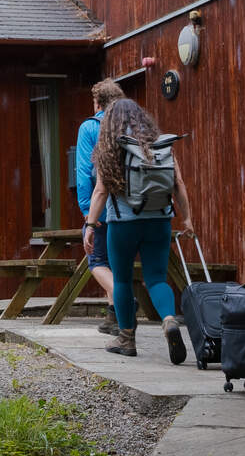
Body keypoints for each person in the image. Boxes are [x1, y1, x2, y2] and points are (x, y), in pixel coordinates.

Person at [82, 98, 195, 362]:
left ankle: (126, 338)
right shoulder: (158, 145)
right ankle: (168, 320)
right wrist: (187, 219)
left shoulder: (109, 148)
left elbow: (100, 191)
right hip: (159, 221)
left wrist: (90, 225)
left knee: (121, 280)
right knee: (156, 278)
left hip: (122, 224)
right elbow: (178, 184)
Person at [74, 79, 125, 335]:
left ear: (97, 102)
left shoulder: (90, 127)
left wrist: (87, 211)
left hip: (102, 206)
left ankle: (123, 299)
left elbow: (83, 172)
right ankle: (113, 318)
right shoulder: (129, 125)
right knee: (114, 263)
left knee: (96, 261)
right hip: (130, 208)